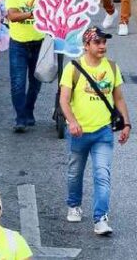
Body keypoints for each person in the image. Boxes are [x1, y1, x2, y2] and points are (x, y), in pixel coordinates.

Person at [60, 27, 130, 236]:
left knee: (102, 175)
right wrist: (71, 122)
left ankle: (101, 218)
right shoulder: (72, 68)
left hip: (103, 133)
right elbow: (64, 99)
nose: (102, 46)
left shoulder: (112, 67)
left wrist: (126, 124)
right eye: (97, 42)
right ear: (86, 45)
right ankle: (74, 204)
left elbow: (118, 98)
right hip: (79, 133)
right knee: (75, 173)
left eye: (104, 42)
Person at [6, 0, 45, 131]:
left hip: (40, 43)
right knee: (18, 83)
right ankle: (20, 118)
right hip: (18, 44)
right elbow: (12, 16)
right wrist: (34, 13)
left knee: (36, 83)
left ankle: (29, 110)